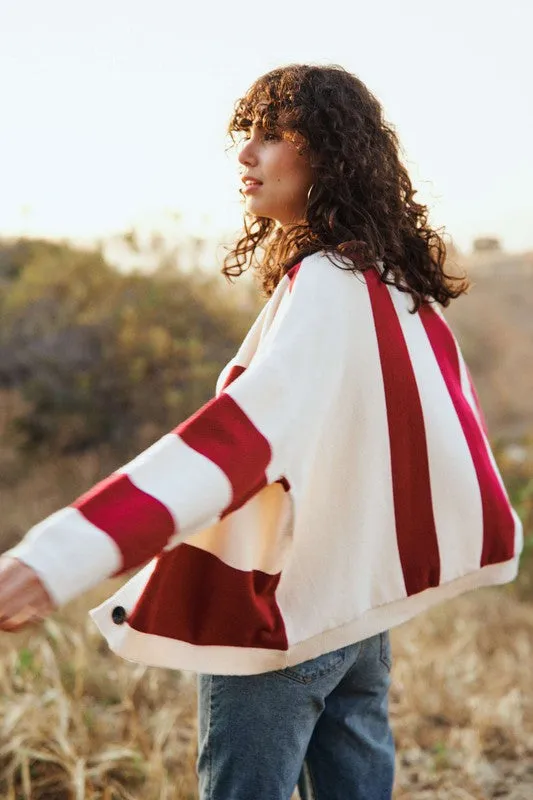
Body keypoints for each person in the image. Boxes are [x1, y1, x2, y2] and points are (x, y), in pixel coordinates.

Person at [0, 64, 523, 800]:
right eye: (245, 137)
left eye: (272, 137)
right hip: (354, 612)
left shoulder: (326, 287)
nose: (245, 155)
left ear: (329, 156)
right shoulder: (385, 282)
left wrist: (54, 559)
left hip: (283, 615)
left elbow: (235, 440)